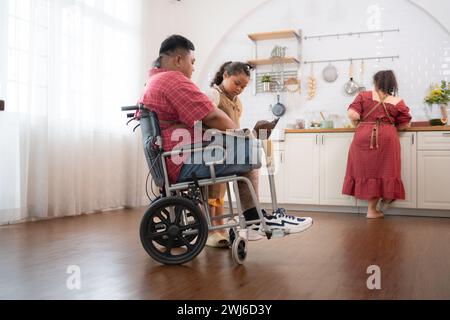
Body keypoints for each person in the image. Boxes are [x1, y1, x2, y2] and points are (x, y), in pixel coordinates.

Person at [139, 35, 313, 242]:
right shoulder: (173, 80)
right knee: (250, 152)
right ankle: (254, 220)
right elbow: (211, 116)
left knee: (247, 149)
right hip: (184, 159)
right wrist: (246, 137)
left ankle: (252, 219)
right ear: (178, 60)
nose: (193, 68)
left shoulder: (154, 80)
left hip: (176, 156)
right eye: (192, 62)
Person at [342, 70, 412, 219]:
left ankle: (372, 209)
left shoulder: (364, 95)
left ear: (376, 82)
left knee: (367, 171)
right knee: (385, 171)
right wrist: (390, 127)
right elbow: (405, 124)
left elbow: (353, 114)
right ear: (392, 84)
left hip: (363, 135)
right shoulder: (397, 101)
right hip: (387, 138)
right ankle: (380, 204)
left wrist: (359, 124)